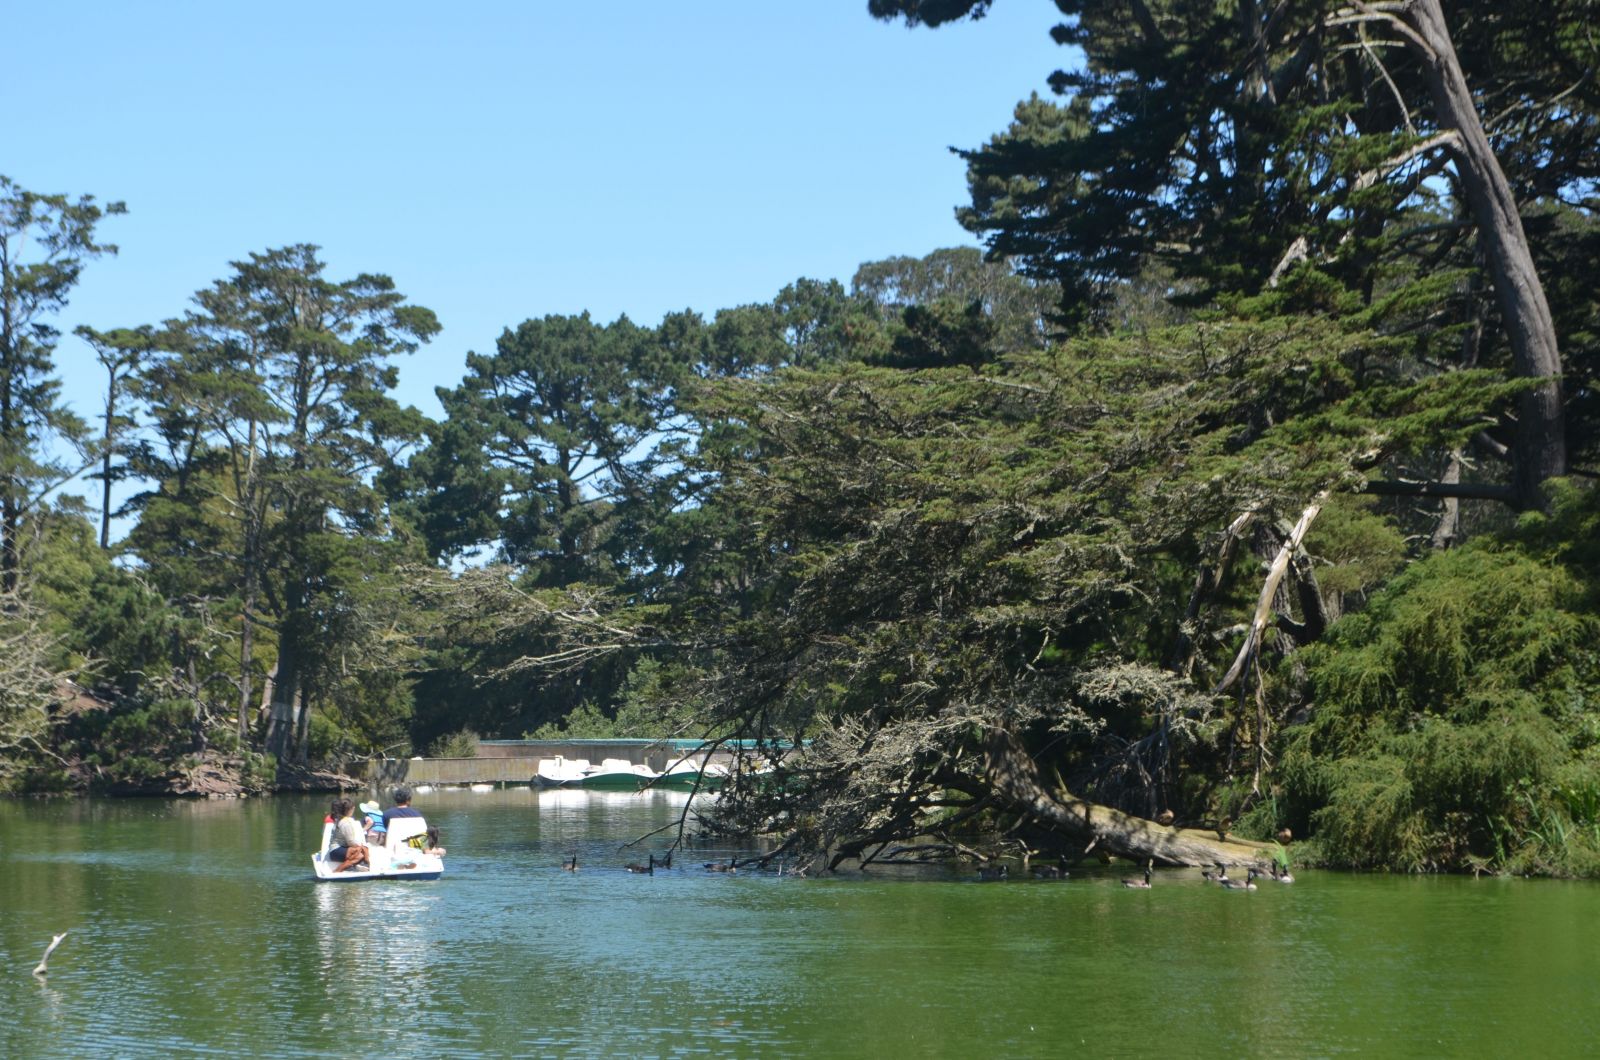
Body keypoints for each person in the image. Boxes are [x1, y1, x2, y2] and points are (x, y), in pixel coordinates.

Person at [326, 798, 369, 872]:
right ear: (349, 810)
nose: (354, 808)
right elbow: (351, 842)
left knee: (362, 850)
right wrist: (362, 847)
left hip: (334, 850)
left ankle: (353, 866)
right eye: (353, 808)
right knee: (360, 854)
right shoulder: (346, 823)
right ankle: (339, 870)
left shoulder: (339, 819)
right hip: (336, 851)